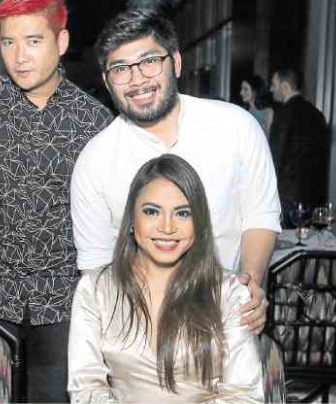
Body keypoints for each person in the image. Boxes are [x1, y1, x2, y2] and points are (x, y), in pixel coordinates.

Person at [0, 0, 113, 402]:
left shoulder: (95, 121)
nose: (19, 56)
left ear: (62, 41)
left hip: (65, 302)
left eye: (33, 41)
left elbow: (109, 220)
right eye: (8, 42)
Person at [71, 10, 281, 333]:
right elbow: (97, 267)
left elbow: (260, 214)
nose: (137, 79)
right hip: (140, 335)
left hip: (227, 324)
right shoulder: (94, 162)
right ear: (107, 81)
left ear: (177, 63)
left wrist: (250, 284)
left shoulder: (237, 128)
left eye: (150, 61)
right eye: (120, 69)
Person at [68, 155, 264, 403]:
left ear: (199, 223)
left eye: (183, 213)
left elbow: (244, 396)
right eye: (152, 211)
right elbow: (85, 389)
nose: (167, 227)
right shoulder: (95, 289)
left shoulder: (230, 293)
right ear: (131, 219)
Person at [269, 68, 329, 212]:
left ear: (285, 87)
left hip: (287, 195)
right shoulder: (317, 115)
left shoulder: (283, 115)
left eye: (273, 85)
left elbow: (276, 155)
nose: (271, 89)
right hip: (314, 194)